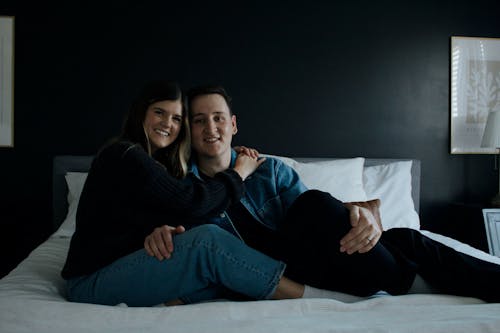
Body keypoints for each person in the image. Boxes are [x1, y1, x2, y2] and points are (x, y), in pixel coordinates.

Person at [145, 84, 500, 303]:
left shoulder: (271, 170)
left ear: (233, 124)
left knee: (404, 236)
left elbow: (322, 222)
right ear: (188, 129)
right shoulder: (184, 189)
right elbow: (188, 248)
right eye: (199, 120)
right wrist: (161, 233)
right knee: (397, 241)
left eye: (219, 118)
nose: (211, 128)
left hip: (320, 258)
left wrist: (363, 215)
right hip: (275, 275)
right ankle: (412, 283)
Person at [60, 80, 306, 307]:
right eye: (159, 112)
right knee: (208, 242)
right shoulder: (125, 155)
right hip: (91, 281)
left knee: (219, 271)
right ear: (140, 113)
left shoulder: (155, 165)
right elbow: (193, 202)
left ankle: (182, 297)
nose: (168, 123)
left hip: (121, 267)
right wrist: (239, 172)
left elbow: (144, 217)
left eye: (177, 118)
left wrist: (160, 230)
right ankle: (310, 295)